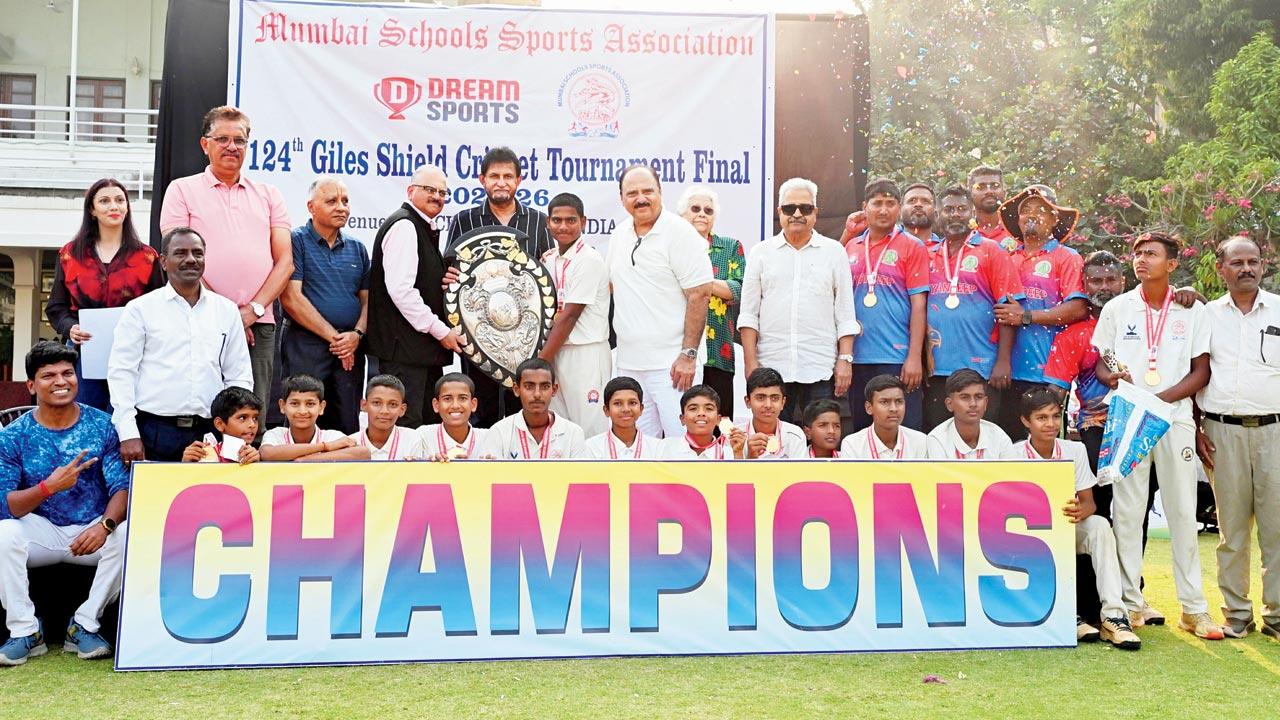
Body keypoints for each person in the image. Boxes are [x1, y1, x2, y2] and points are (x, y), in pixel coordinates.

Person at [1093, 231, 1222, 640]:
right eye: (1136, 253)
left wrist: (1158, 402)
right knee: (1128, 512)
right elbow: (1104, 364)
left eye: (1151, 253)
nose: (1140, 259)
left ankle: (1194, 609)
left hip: (1174, 417)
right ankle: (1132, 603)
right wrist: (1114, 377)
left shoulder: (1191, 310)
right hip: (1128, 416)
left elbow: (1201, 372)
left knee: (1183, 510)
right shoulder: (1117, 308)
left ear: (1171, 263)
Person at [0, 342, 128, 665]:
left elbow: (122, 489)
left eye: (67, 373)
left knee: (128, 535)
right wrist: (48, 487)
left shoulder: (102, 425)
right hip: (41, 530)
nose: (61, 381)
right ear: (31, 385)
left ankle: (83, 625)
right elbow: (7, 504)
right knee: (3, 535)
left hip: (91, 527)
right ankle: (25, 631)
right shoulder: (13, 435)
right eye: (49, 375)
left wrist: (105, 526)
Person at [159, 105, 293, 408]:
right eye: (222, 139)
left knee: (251, 414)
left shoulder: (270, 194)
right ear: (205, 144)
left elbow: (285, 263)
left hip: (259, 323)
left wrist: (253, 310)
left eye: (240, 140)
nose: (232, 147)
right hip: (199, 317)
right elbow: (179, 260)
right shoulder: (181, 190)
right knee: (202, 407)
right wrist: (230, 315)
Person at [1006, 388, 1142, 650]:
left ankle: (1114, 617)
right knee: (1047, 534)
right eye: (1041, 418)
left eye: (1056, 416)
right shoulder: (1012, 454)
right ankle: (1066, 615)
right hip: (1027, 536)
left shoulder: (1075, 449)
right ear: (1025, 421)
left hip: (1067, 526)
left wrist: (1082, 511)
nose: (1050, 424)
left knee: (1100, 525)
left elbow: (1089, 502)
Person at [107, 228, 253, 463]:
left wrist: (236, 432)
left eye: (198, 253)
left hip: (210, 432)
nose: (190, 259)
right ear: (164, 261)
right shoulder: (140, 309)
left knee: (209, 499)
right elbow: (121, 373)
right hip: (154, 432)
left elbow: (239, 375)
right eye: (180, 253)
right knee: (154, 499)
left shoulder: (226, 310)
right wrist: (128, 432)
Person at [1196, 235, 1280, 640]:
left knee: (1277, 529)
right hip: (1221, 432)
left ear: (1263, 266)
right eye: (1237, 263)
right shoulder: (1204, 315)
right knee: (1231, 531)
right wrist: (1197, 427)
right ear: (1221, 269)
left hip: (1276, 432)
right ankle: (1236, 615)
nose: (1246, 269)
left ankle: (1277, 617)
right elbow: (1194, 372)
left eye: (1253, 262)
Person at [447, 147, 553, 428]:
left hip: (528, 340)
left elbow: (551, 280)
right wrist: (448, 280)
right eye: (494, 176)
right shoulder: (463, 220)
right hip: (478, 336)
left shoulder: (540, 222)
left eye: (508, 176)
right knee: (482, 410)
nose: (501, 182)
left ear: (519, 180)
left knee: (528, 411)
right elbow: (450, 275)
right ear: (482, 179)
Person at [607, 164, 714, 438]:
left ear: (660, 192)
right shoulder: (619, 235)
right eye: (632, 193)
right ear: (621, 198)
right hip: (629, 365)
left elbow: (700, 293)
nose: (640, 198)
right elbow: (609, 287)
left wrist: (688, 355)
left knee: (683, 446)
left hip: (673, 368)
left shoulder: (680, 232)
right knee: (638, 450)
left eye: (647, 191)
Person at [740, 178, 857, 424]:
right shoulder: (760, 253)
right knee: (775, 440)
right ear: (779, 212)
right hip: (772, 365)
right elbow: (749, 314)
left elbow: (845, 313)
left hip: (820, 366)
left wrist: (845, 360)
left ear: (815, 213)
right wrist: (751, 363)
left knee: (821, 438)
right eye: (789, 208)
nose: (796, 214)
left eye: (804, 208)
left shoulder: (834, 252)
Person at [45, 178, 164, 412]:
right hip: (85, 353)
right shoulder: (70, 255)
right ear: (92, 209)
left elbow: (159, 307)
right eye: (105, 201)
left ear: (127, 207)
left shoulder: (147, 257)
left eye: (120, 200)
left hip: (135, 356)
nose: (114, 206)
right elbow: (56, 308)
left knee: (127, 421)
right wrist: (70, 327)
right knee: (86, 420)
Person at [366, 164, 467, 428]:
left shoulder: (421, 227)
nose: (437, 197)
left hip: (419, 355)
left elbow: (419, 282)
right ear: (410, 191)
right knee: (406, 431)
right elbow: (402, 291)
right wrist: (441, 331)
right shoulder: (405, 226)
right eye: (429, 190)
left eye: (443, 193)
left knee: (425, 429)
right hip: (404, 357)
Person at [991, 186, 1088, 439]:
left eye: (1041, 210)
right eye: (1026, 211)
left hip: (1048, 372)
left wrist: (1026, 316)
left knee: (1046, 450)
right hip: (1007, 372)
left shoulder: (1067, 257)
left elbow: (1078, 308)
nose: (1032, 215)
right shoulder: (1007, 258)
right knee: (1009, 448)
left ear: (1054, 219)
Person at [922, 186, 1023, 429]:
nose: (954, 215)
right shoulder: (928, 254)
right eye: (948, 209)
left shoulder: (991, 250)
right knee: (939, 441)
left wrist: (1003, 362)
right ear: (937, 214)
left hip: (982, 366)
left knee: (981, 442)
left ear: (972, 213)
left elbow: (1008, 309)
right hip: (938, 367)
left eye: (961, 209)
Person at [278, 177, 370, 434]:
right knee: (303, 417)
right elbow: (292, 299)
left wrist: (357, 335)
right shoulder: (295, 241)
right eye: (331, 201)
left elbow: (368, 302)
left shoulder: (358, 248)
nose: (341, 207)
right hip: (306, 344)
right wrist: (337, 339)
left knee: (347, 421)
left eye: (345, 201)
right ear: (311, 207)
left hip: (349, 349)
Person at [845, 178, 929, 431]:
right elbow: (829, 278)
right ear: (864, 206)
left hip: (896, 355)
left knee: (903, 430)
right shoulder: (852, 245)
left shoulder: (913, 246)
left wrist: (914, 357)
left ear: (899, 207)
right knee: (863, 429)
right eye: (877, 203)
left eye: (890, 204)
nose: (883, 210)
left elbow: (919, 305)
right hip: (858, 356)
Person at [537, 193, 611, 437]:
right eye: (557, 220)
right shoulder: (548, 259)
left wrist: (539, 363)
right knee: (560, 428)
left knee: (589, 429)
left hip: (585, 353)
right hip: (556, 352)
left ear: (584, 222)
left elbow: (569, 316)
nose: (563, 226)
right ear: (548, 222)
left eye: (571, 220)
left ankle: (593, 477)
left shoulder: (588, 260)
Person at [1043, 251, 1125, 466]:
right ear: (1084, 285)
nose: (1105, 287)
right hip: (1095, 422)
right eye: (1096, 281)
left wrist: (1188, 292)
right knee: (1101, 488)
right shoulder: (1071, 336)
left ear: (1122, 282)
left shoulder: (1143, 319)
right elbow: (1056, 393)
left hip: (1144, 416)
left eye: (1111, 280)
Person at [678, 186, 745, 420]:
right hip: (678, 352)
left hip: (718, 349)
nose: (702, 214)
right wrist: (714, 285)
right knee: (682, 420)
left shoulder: (730, 247)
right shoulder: (671, 248)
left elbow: (736, 289)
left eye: (708, 210)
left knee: (720, 422)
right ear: (682, 215)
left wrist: (695, 281)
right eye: (695, 209)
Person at [478, 359, 586, 460]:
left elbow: (578, 478)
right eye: (529, 387)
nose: (537, 394)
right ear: (516, 389)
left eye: (545, 386)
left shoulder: (573, 433)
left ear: (554, 390)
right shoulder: (499, 432)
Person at [260, 375, 369, 462]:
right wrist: (324, 447)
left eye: (310, 404)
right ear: (282, 406)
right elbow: (267, 454)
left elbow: (363, 453)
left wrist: (308, 460)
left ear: (321, 407)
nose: (302, 411)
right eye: (294, 403)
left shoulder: (331, 436)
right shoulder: (275, 434)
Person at [925, 369, 1013, 460]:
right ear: (949, 404)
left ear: (986, 403)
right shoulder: (938, 439)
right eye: (965, 397)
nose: (973, 404)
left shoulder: (999, 436)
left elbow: (1009, 474)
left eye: (979, 397)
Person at [839, 374, 928, 459]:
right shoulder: (852, 444)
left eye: (899, 401)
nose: (893, 409)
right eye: (884, 402)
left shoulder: (920, 441)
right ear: (869, 408)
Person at [578, 376, 661, 460]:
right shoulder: (592, 448)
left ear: (641, 409)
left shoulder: (657, 448)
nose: (626, 409)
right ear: (606, 410)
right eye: (617, 403)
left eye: (632, 403)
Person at [658, 385, 746, 460]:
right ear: (682, 419)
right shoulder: (664, 448)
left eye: (709, 409)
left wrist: (738, 454)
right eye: (693, 408)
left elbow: (738, 479)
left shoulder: (729, 454)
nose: (701, 413)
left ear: (718, 420)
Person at [180, 387, 262, 465]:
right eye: (242, 417)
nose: (252, 424)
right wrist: (186, 465)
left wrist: (257, 465)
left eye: (255, 418)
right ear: (219, 424)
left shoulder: (255, 456)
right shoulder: (201, 455)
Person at [413, 373, 486, 461]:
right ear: (436, 405)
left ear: (473, 404)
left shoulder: (489, 438)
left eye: (462, 398)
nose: (455, 406)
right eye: (447, 399)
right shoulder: (422, 436)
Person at [738, 367, 808, 459]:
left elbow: (797, 473)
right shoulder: (736, 437)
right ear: (748, 402)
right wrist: (750, 458)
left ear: (783, 403)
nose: (768, 405)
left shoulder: (795, 435)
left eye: (775, 398)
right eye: (760, 398)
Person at [350, 375, 424, 461]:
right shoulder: (351, 443)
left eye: (393, 404)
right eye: (376, 403)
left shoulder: (412, 440)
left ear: (402, 409)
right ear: (364, 405)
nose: (384, 411)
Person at [967, 165, 1012, 247]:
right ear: (970, 195)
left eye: (995, 186)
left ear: (1004, 192)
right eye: (980, 187)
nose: (989, 191)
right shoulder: (963, 233)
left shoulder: (1018, 229)